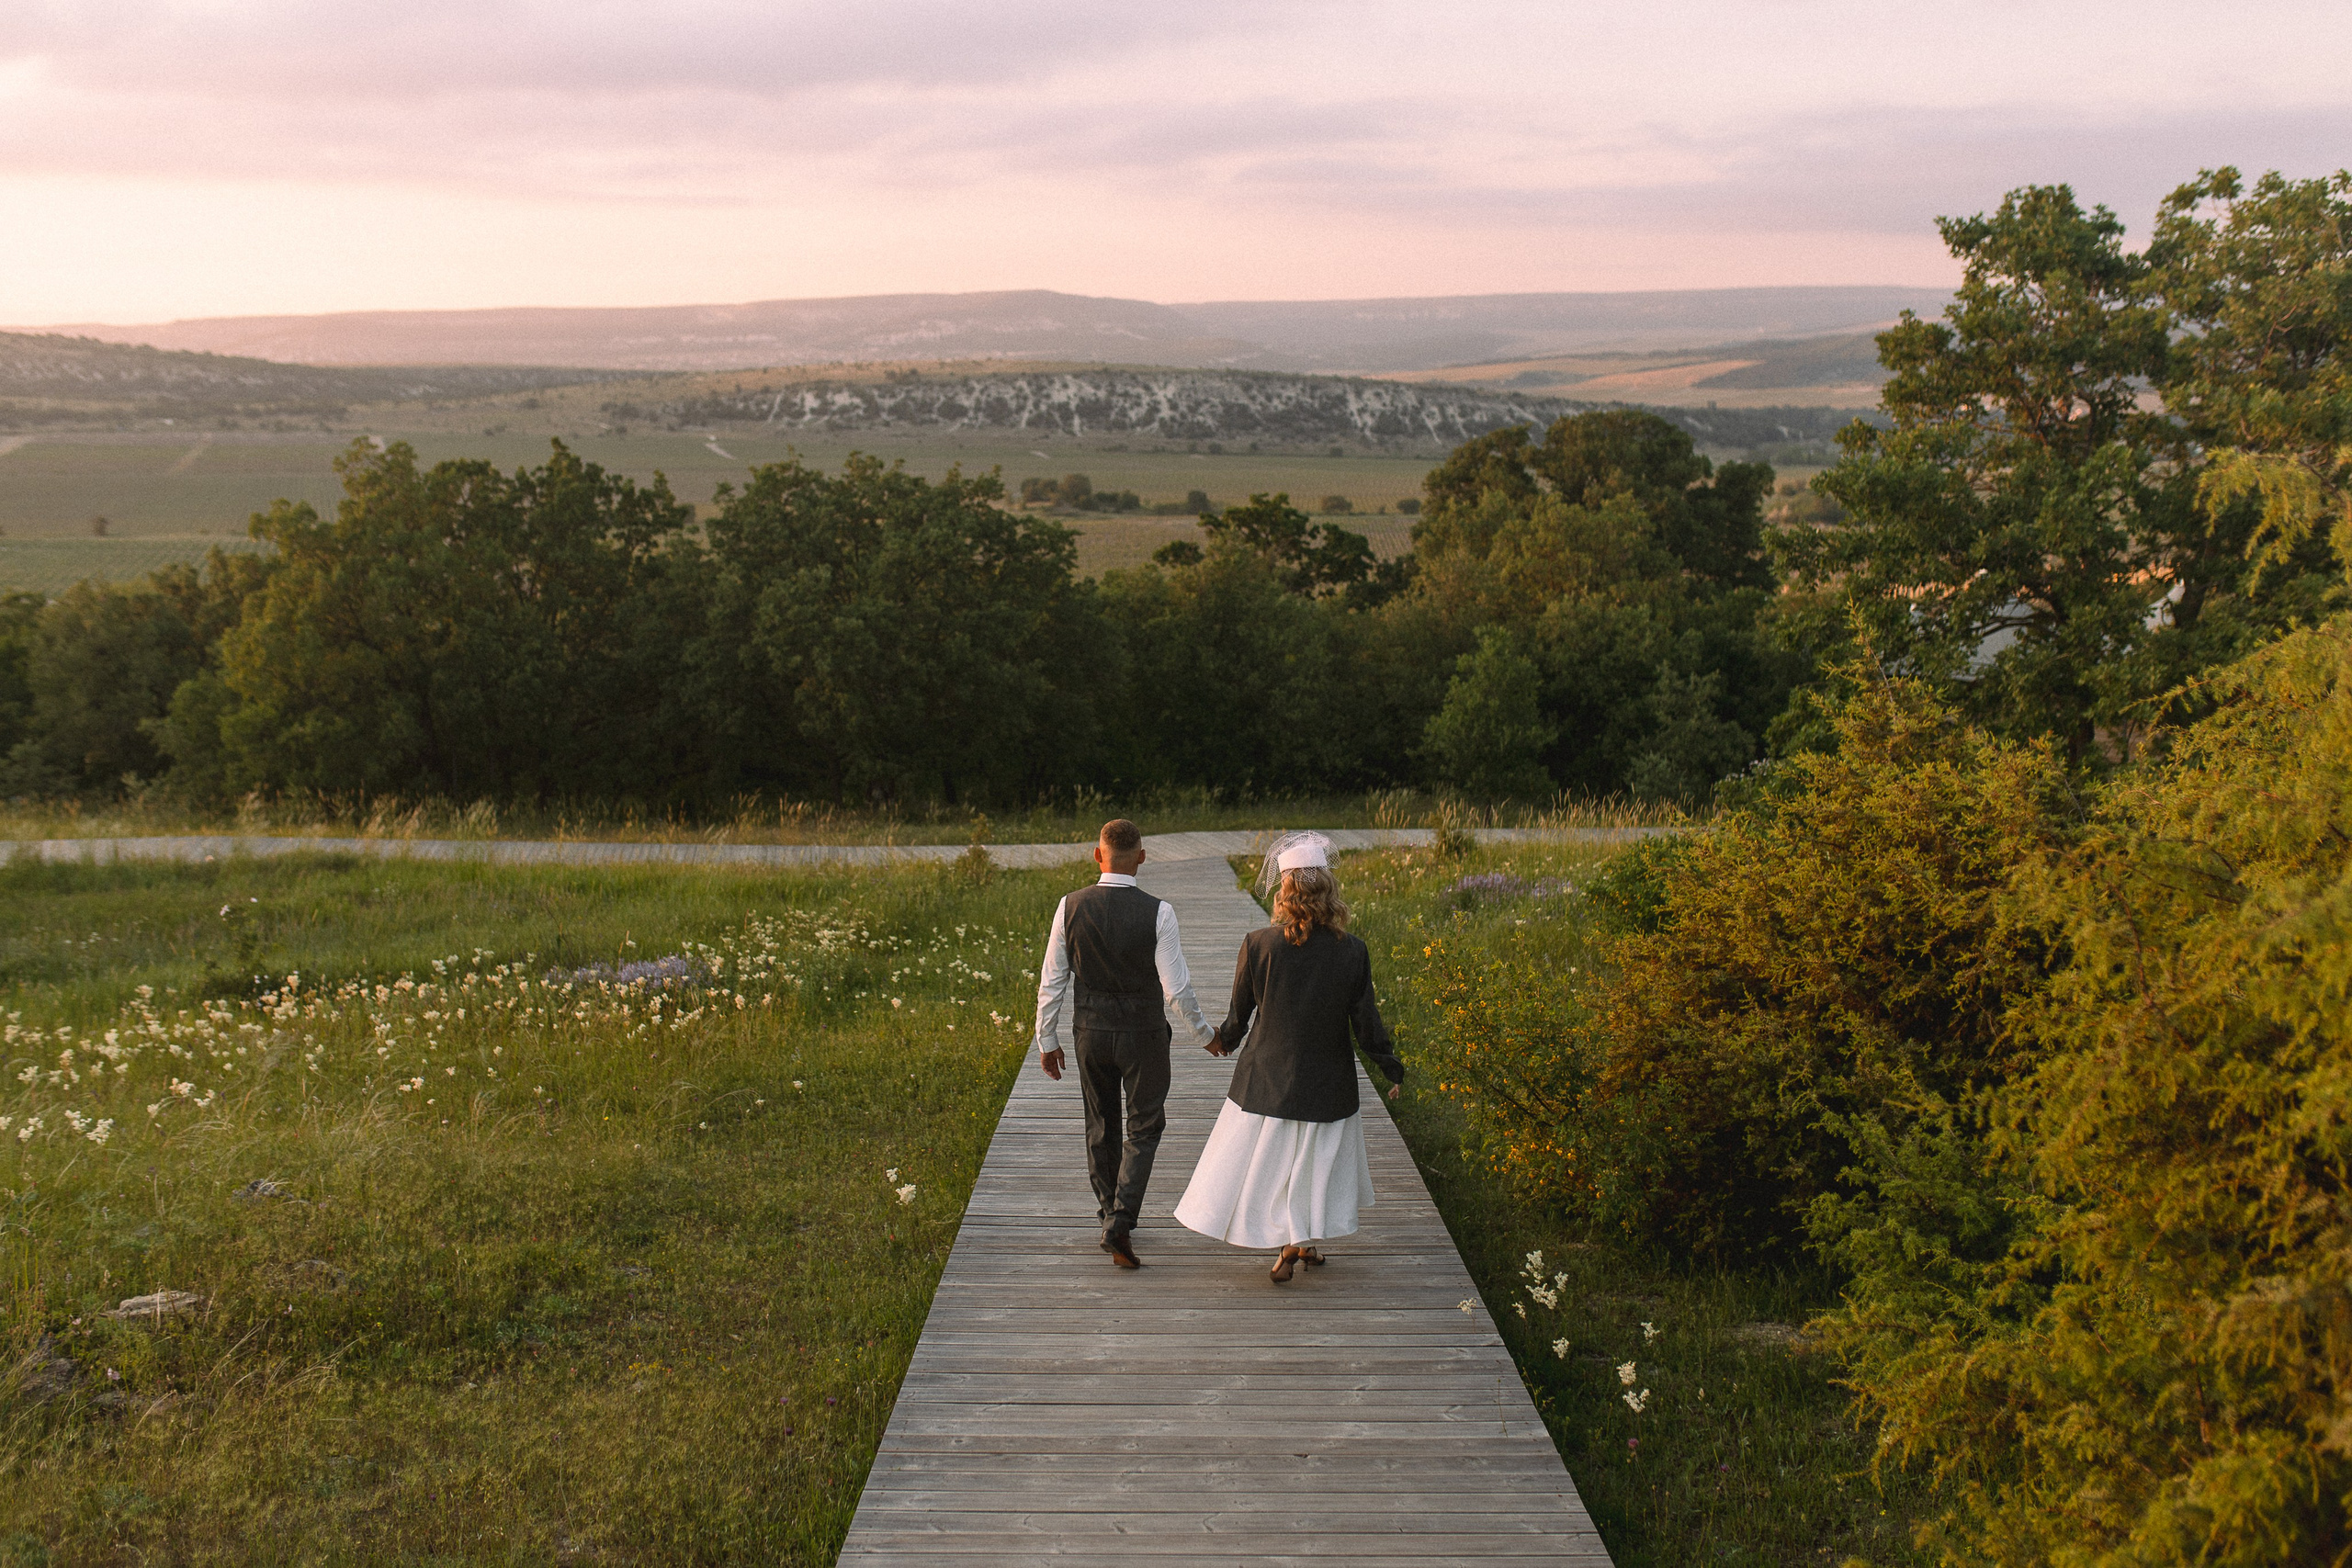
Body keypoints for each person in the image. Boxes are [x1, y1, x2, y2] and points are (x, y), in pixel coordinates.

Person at [1174, 832, 1405, 1282]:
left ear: (1284, 892)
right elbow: (1365, 1020)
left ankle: (1296, 1243)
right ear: (1328, 892)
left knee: (1278, 1162)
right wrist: (1389, 1065)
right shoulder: (1352, 950)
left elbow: (1240, 1014)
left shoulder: (1259, 944)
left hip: (1268, 1076)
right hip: (1328, 1075)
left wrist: (1222, 1040)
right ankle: (1299, 1242)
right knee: (1314, 1162)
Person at [1032, 818, 1216, 1268]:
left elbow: (1052, 980)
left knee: (1101, 1123)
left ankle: (1107, 1213)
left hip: (1090, 1033)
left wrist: (1046, 1038)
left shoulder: (1069, 906)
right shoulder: (1159, 912)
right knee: (1144, 1127)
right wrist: (1205, 1035)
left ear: (1098, 855)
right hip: (1144, 1036)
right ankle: (1121, 1220)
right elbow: (1175, 990)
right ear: (1142, 858)